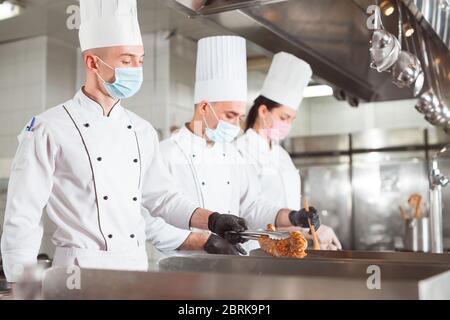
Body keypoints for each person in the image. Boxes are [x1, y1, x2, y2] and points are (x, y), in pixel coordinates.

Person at [0, 0, 247, 284]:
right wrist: (24, 287)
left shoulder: (142, 130)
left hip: (134, 270)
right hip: (78, 274)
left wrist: (212, 219)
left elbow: (162, 198)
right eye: (126, 60)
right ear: (92, 62)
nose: (136, 69)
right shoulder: (49, 128)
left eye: (140, 60)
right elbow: (23, 216)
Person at [157, 36, 323, 253]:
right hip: (183, 268)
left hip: (232, 263)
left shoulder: (232, 154)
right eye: (230, 115)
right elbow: (151, 220)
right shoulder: (166, 153)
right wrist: (204, 242)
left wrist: (290, 215)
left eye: (239, 116)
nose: (236, 125)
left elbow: (252, 205)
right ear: (205, 107)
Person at [237, 52, 342, 250]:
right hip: (255, 252)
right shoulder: (240, 152)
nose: (287, 125)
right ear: (263, 111)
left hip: (288, 250)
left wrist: (309, 232)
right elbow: (250, 211)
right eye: (284, 117)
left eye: (291, 120)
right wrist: (294, 218)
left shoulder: (282, 156)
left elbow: (290, 214)